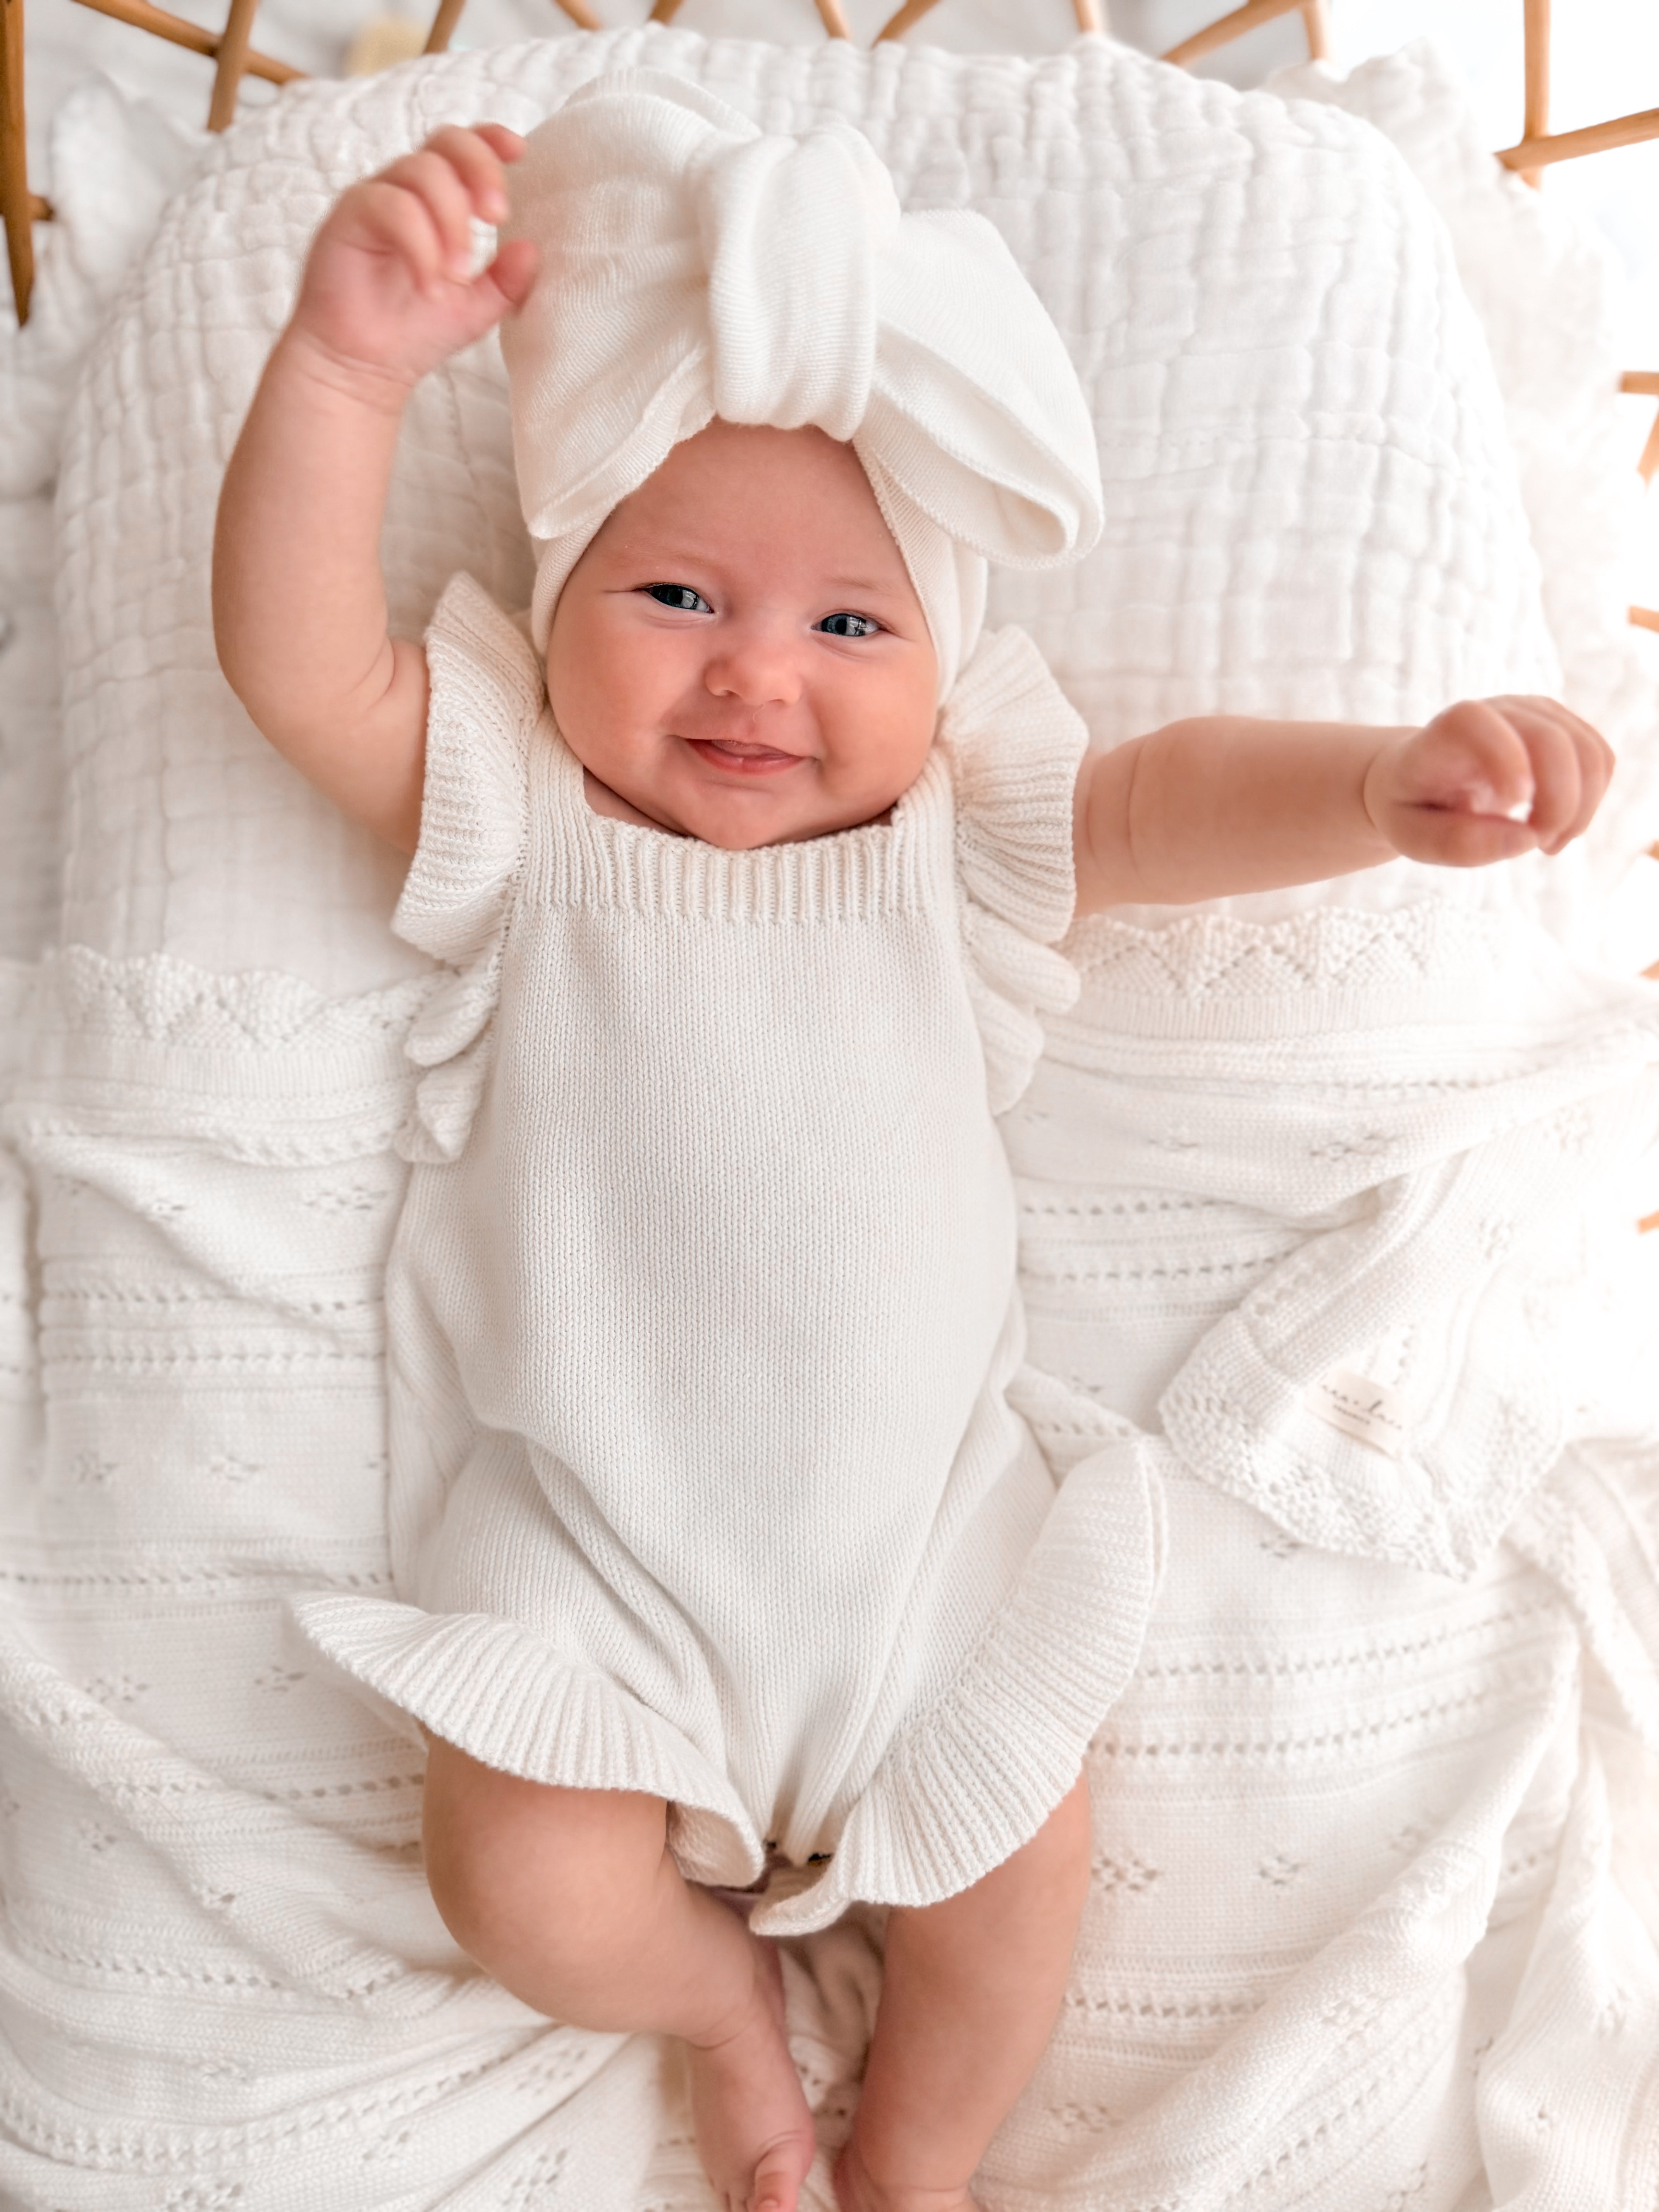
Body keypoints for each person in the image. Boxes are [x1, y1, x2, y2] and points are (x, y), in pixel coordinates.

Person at [210, 74, 1612, 2212]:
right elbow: (303, 667)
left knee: (1016, 1873)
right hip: (593, 1560)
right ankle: (717, 2017)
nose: (758, 676)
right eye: (676, 597)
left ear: (942, 672)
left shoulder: (948, 844)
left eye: (851, 626)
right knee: (524, 1892)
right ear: (558, 607)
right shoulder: (522, 822)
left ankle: (915, 2166)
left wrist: (1372, 785)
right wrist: (341, 378)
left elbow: (1163, 797)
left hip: (925, 1565)